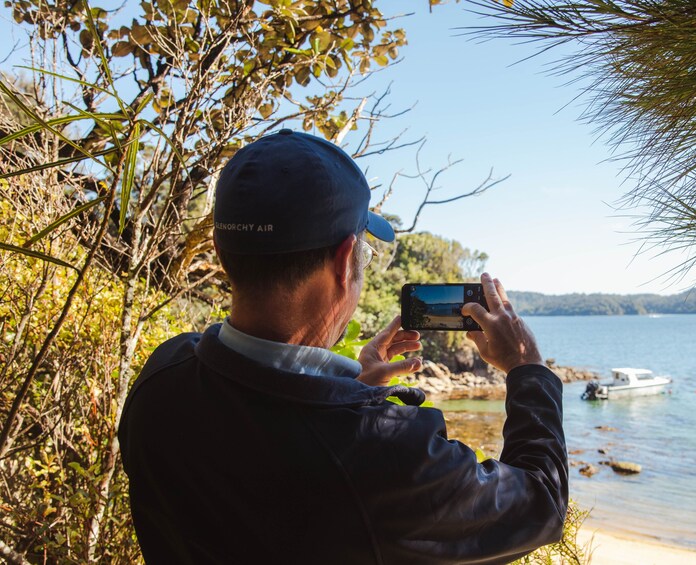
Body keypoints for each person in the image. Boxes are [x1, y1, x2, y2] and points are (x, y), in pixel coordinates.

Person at [118, 130, 568, 564]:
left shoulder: (162, 378)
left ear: (218, 249)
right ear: (343, 261)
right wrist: (527, 368)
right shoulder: (385, 457)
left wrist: (353, 388)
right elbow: (540, 504)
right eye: (364, 258)